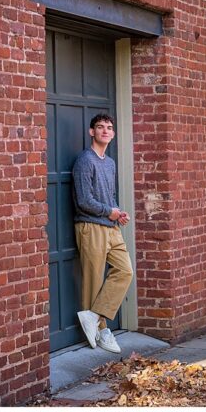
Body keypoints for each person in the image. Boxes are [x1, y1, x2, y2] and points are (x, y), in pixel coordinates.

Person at [73, 113, 132, 354]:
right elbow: (84, 200)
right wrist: (110, 211)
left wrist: (118, 213)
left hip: (111, 226)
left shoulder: (109, 162)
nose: (105, 131)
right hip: (90, 226)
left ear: (113, 134)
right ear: (91, 132)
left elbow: (109, 196)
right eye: (100, 127)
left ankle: (95, 317)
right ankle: (100, 331)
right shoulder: (85, 161)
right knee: (94, 281)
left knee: (125, 271)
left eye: (109, 127)